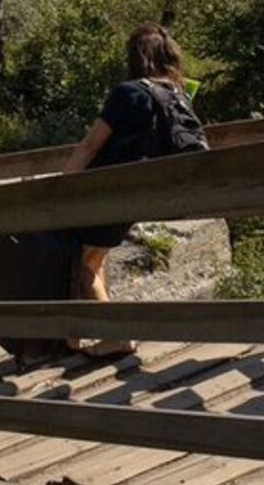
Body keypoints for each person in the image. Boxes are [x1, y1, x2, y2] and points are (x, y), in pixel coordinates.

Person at [57, 24, 206, 357]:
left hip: (112, 192)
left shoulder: (129, 93)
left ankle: (117, 336)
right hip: (148, 193)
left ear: (136, 57)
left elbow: (90, 146)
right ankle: (74, 336)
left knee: (85, 269)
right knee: (93, 259)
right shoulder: (179, 94)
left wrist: (59, 189)